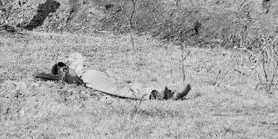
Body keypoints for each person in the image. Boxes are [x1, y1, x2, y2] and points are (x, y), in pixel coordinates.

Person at [35, 52, 191, 100]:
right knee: (123, 89)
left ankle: (167, 93)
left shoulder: (72, 70)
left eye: (64, 67)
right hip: (90, 78)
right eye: (62, 69)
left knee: (128, 84)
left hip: (94, 74)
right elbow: (40, 75)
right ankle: (163, 95)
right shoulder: (67, 75)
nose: (64, 68)